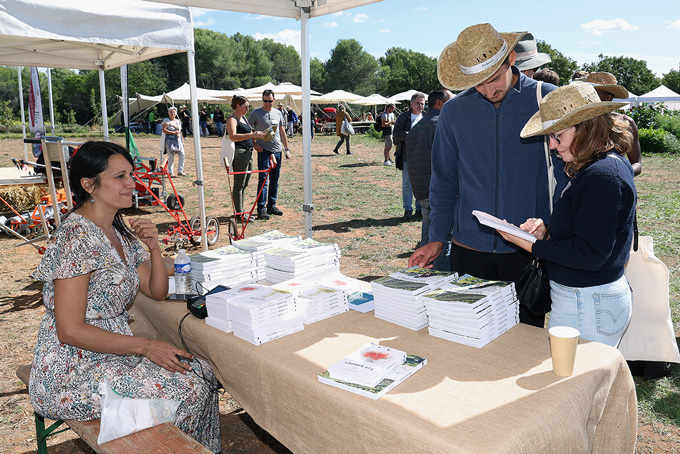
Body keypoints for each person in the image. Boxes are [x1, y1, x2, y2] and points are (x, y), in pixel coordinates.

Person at [28, 141, 221, 452]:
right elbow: (70, 329)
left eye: (131, 174)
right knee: (188, 390)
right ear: (89, 185)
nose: (132, 183)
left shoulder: (118, 231)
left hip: (115, 355)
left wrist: (155, 248)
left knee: (204, 371)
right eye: (120, 177)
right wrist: (146, 346)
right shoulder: (76, 238)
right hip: (73, 370)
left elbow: (155, 290)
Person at [408, 23, 566, 327]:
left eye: (494, 79)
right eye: (478, 83)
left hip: (526, 248)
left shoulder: (547, 100)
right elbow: (443, 182)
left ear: (510, 60)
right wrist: (437, 238)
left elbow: (568, 175)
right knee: (467, 335)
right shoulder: (454, 112)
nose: (488, 90)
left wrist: (551, 225)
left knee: (522, 342)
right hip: (468, 250)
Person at [495, 83, 635, 346]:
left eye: (557, 135)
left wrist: (531, 245)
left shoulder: (602, 175)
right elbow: (587, 231)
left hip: (588, 302)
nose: (551, 145)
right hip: (586, 299)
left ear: (587, 126)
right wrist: (547, 233)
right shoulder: (597, 166)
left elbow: (590, 255)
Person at [404, 87, 454, 268]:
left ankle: (425, 274)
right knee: (442, 239)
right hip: (438, 192)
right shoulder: (441, 124)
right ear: (440, 103)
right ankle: (440, 276)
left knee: (429, 235)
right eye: (450, 101)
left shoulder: (417, 126)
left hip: (421, 190)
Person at [578, 72, 642, 176]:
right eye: (587, 94)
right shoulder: (581, 122)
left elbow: (637, 164)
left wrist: (620, 172)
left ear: (608, 97)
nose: (588, 98)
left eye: (593, 93)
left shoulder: (625, 123)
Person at [249, 89, 291, 220]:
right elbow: (247, 129)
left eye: (270, 101)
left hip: (277, 150)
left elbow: (282, 131)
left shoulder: (278, 113)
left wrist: (286, 149)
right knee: (263, 180)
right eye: (265, 101)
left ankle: (271, 205)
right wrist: (254, 144)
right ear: (262, 100)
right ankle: (261, 208)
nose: (267, 103)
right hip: (264, 151)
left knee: (275, 180)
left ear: (274, 100)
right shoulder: (256, 113)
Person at [226, 95, 265, 223]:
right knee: (239, 184)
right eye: (246, 106)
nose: (247, 109)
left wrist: (255, 140)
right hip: (240, 153)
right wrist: (252, 134)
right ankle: (239, 213)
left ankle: (241, 211)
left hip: (248, 153)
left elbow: (248, 136)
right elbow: (233, 136)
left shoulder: (243, 118)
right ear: (238, 106)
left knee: (244, 184)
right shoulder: (232, 119)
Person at [393, 92, 426, 219]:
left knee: (421, 183)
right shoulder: (403, 117)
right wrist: (410, 135)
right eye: (417, 103)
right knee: (407, 184)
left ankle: (419, 209)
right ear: (411, 104)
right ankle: (408, 209)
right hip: (407, 156)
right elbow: (396, 134)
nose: (420, 106)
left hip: (423, 157)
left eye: (422, 103)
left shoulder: (427, 117)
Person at [161, 106, 186, 177]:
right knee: (171, 157)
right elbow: (164, 130)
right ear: (169, 113)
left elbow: (180, 131)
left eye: (174, 112)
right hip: (169, 141)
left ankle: (180, 171)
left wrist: (182, 140)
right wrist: (173, 133)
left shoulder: (178, 121)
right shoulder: (166, 121)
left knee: (182, 155)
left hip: (178, 141)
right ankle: (171, 172)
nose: (173, 113)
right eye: (171, 112)